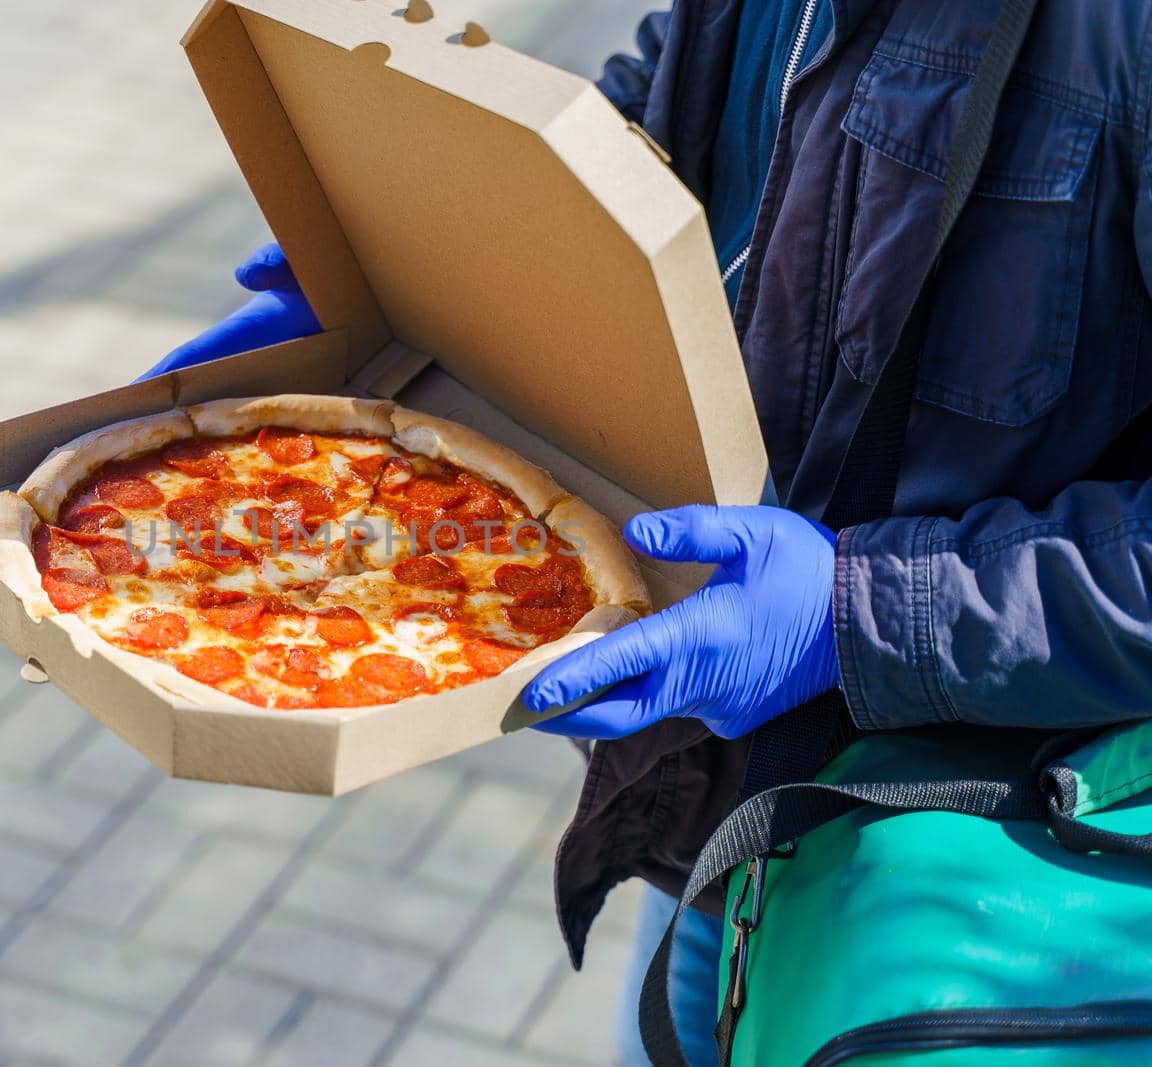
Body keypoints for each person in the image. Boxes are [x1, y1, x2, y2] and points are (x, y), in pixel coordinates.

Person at [150, 2, 1152, 1061]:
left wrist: (854, 612)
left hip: (980, 870)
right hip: (725, 788)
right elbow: (672, 103)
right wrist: (426, 247)